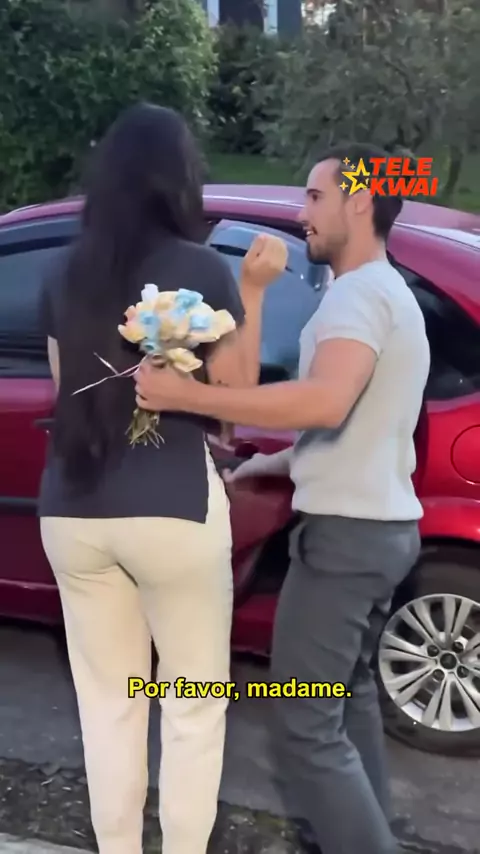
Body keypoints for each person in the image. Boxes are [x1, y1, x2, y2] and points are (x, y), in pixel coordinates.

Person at [134, 143, 431, 854]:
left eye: (315, 197)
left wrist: (187, 395)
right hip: (384, 532)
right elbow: (358, 424)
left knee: (303, 725)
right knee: (347, 700)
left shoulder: (359, 295)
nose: (303, 215)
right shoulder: (390, 293)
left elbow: (326, 402)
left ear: (360, 202)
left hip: (346, 540)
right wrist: (270, 463)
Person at [38, 102, 287, 854]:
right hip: (171, 506)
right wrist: (255, 291)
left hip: (73, 509)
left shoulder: (64, 269)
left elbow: (64, 389)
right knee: (191, 706)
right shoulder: (199, 267)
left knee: (108, 706)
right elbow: (236, 400)